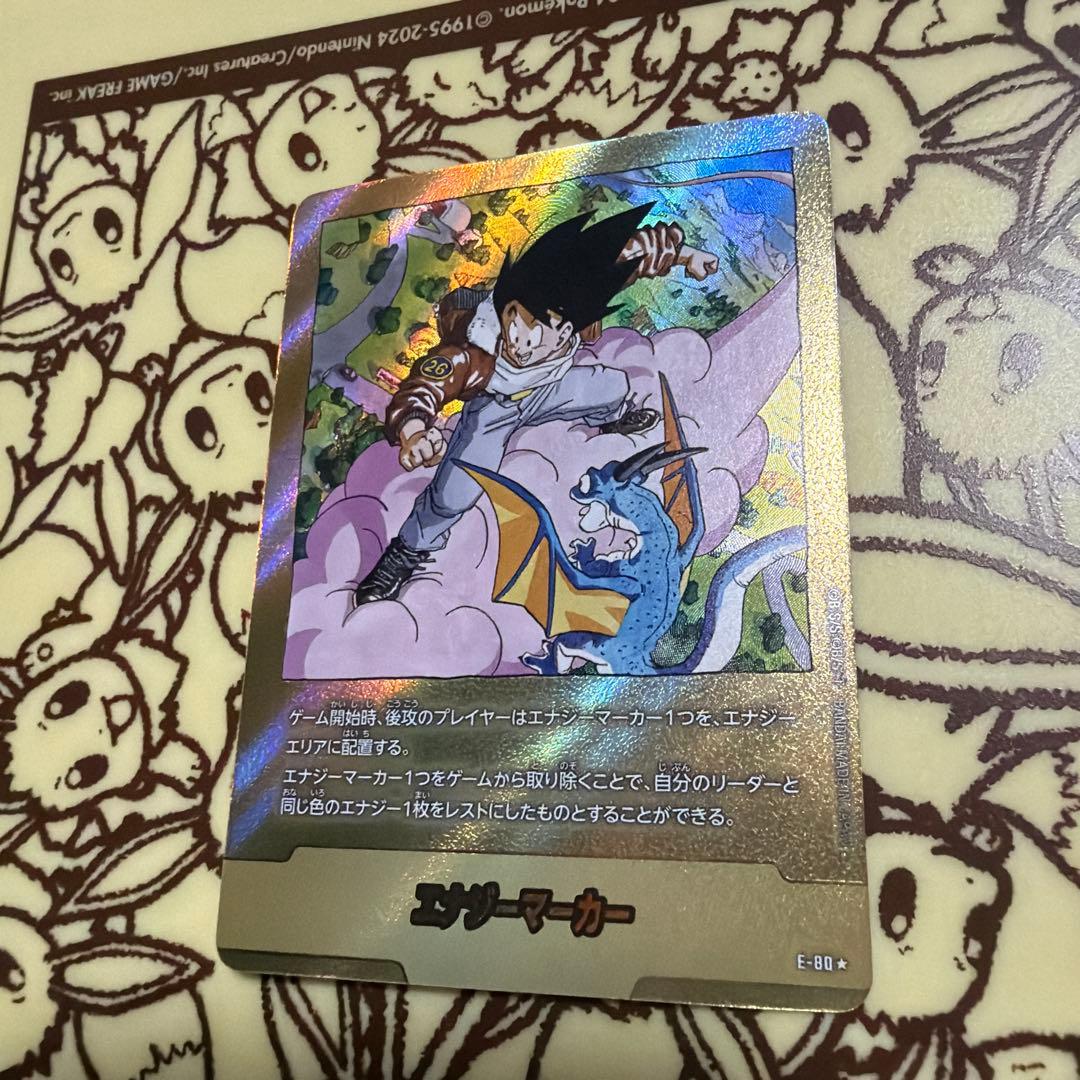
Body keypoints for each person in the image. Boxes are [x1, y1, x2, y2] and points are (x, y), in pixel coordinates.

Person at [354, 201, 718, 605]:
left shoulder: (578, 299)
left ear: (569, 330)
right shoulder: (474, 347)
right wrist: (414, 432)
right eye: (519, 324)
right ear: (509, 308)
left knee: (613, 387)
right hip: (495, 408)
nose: (524, 345)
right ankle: (405, 553)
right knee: (456, 491)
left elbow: (630, 256)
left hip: (550, 387)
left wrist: (686, 255)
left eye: (548, 334)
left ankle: (612, 420)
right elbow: (427, 385)